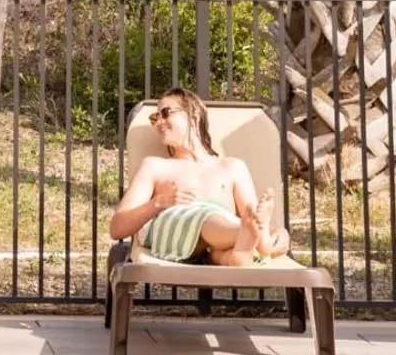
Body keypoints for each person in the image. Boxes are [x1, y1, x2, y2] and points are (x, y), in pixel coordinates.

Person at [108, 87, 290, 266]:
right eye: (154, 118)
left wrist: (279, 234)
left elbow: (252, 216)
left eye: (165, 113)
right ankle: (259, 240)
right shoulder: (156, 166)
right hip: (175, 233)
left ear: (193, 114)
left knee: (230, 247)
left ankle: (240, 254)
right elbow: (117, 228)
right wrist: (158, 203)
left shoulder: (232, 167)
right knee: (209, 216)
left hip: (218, 241)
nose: (158, 122)